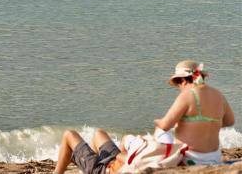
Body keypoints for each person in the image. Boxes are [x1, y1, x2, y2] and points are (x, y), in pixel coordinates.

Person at [53, 60, 235, 174]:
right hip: (213, 156)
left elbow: (164, 124)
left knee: (69, 134)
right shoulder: (218, 94)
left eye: (179, 83)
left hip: (188, 157)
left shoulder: (188, 95)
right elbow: (229, 121)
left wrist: (164, 122)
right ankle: (94, 167)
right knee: (99, 133)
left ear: (183, 80)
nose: (179, 87)